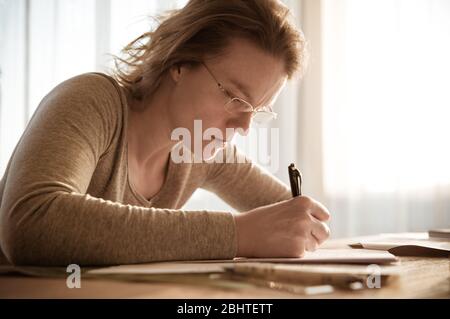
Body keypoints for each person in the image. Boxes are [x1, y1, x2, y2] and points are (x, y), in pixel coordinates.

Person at [0, 0, 330, 266]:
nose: (243, 127)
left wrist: (300, 225)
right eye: (234, 98)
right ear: (179, 63)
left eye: (256, 110)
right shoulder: (93, 102)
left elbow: (296, 217)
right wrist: (237, 234)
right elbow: (31, 222)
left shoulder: (198, 149)